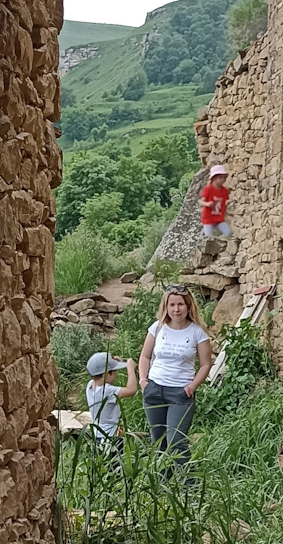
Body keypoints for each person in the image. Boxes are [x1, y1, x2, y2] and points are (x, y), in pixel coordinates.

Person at [139, 286, 213, 458]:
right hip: (154, 389)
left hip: (180, 393)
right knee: (158, 442)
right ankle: (163, 482)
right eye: (171, 304)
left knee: (176, 442)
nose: (176, 309)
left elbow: (206, 364)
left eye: (180, 304)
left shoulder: (197, 332)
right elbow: (145, 356)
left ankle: (189, 484)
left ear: (188, 306)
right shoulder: (158, 327)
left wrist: (192, 387)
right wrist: (143, 381)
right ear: (166, 306)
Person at [86, 350, 137, 445]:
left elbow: (97, 366)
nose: (115, 375)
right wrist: (130, 369)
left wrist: (114, 361)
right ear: (107, 374)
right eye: (114, 372)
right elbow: (131, 390)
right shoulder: (106, 391)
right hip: (110, 437)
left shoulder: (90, 385)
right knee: (114, 460)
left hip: (98, 435)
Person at [200, 163, 232, 249]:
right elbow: (201, 202)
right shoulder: (209, 189)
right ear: (214, 178)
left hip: (218, 219)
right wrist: (207, 204)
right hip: (208, 219)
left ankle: (220, 247)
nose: (223, 180)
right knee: (209, 239)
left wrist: (228, 210)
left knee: (228, 233)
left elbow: (224, 203)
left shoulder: (224, 191)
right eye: (220, 177)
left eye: (224, 177)